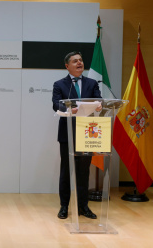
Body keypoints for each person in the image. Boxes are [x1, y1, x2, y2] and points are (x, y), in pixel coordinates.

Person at [52, 51, 102, 220]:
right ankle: (64, 206)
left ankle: (83, 206)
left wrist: (99, 106)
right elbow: (56, 104)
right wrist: (69, 109)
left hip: (88, 132)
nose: (79, 63)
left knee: (83, 171)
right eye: (75, 61)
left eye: (81, 60)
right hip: (67, 132)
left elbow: (99, 100)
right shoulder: (60, 84)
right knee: (66, 171)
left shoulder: (92, 83)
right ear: (67, 66)